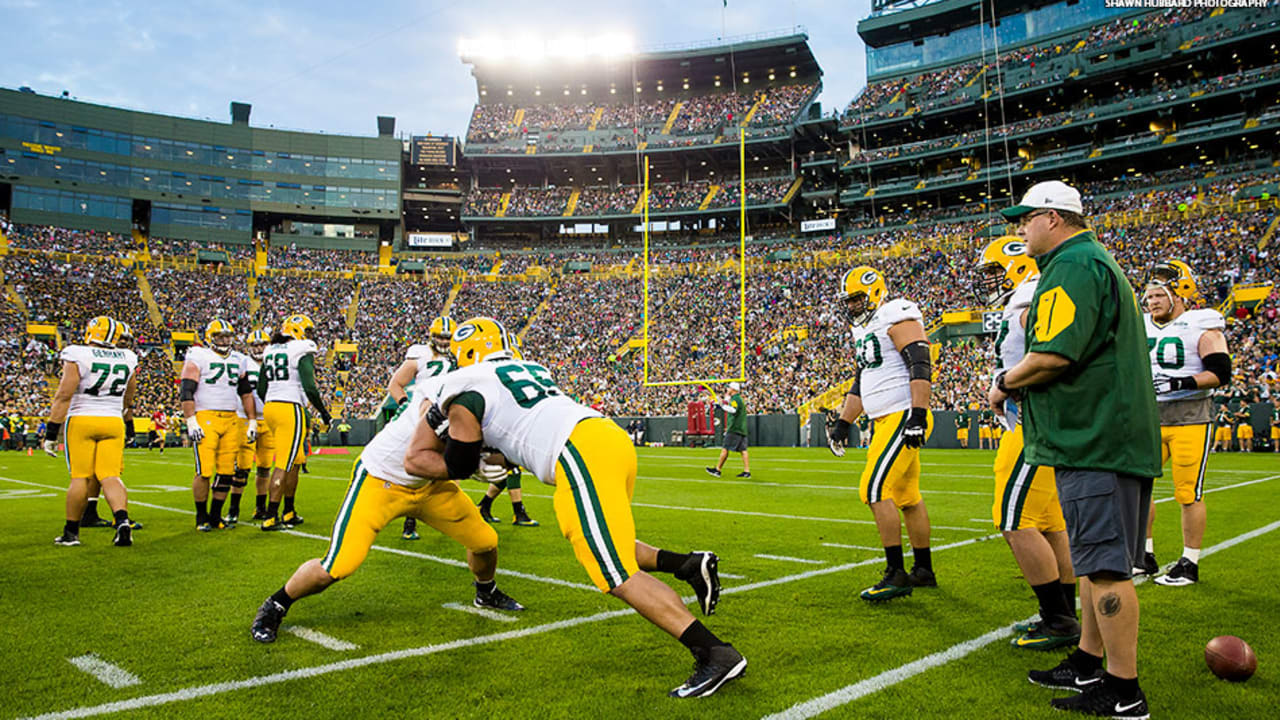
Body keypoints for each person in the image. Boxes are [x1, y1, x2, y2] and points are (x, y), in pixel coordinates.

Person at [409, 317, 742, 698]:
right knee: (598, 541)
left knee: (614, 574)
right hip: (604, 439)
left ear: (467, 351)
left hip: (578, 453)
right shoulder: (529, 368)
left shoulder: (465, 384)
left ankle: (716, 653)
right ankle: (687, 565)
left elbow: (461, 461)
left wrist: (451, 433)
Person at [994, 181, 1160, 719]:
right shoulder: (1093, 262)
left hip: (1096, 437)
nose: (1021, 232)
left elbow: (1054, 355)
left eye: (1027, 220)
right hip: (1103, 434)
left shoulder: (1071, 265)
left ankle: (1124, 690)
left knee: (1108, 570)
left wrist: (1005, 381)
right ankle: (1090, 660)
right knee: (1095, 564)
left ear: (1053, 218)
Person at [249, 366, 525, 646]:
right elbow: (416, 458)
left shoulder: (489, 401)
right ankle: (275, 605)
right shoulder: (443, 392)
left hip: (430, 486)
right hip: (382, 480)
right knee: (338, 566)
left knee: (485, 541)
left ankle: (486, 592)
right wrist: (471, 465)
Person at [974, 236, 1078, 649]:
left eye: (995, 269)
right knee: (1051, 522)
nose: (990, 280)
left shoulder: (1034, 295)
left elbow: (1050, 352)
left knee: (1014, 520)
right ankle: (1065, 614)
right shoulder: (1026, 296)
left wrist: (1003, 384)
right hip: (1043, 420)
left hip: (1035, 421)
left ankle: (1058, 620)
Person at [828, 265, 936, 602]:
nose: (853, 305)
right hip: (884, 420)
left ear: (875, 293)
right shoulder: (862, 329)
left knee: (874, 489)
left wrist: (917, 414)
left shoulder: (894, 312)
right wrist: (844, 422)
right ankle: (923, 569)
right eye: (849, 300)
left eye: (858, 298)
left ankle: (895, 573)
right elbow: (864, 379)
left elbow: (920, 361)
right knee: (907, 498)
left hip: (902, 415)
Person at [1140, 260, 1230, 587]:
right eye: (1148, 297)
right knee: (1138, 486)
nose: (1151, 302)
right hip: (1149, 418)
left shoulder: (1200, 323)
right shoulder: (1141, 325)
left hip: (1190, 418)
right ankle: (1144, 555)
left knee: (1187, 493)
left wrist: (1181, 384)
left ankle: (1189, 562)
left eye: (1159, 295)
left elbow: (1221, 372)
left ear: (1180, 294)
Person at [45, 316, 138, 548]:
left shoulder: (77, 353)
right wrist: (129, 425)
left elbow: (64, 395)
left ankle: (71, 533)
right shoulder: (128, 357)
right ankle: (122, 522)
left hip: (83, 419)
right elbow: (129, 398)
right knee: (110, 475)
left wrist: (51, 432)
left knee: (80, 478)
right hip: (113, 420)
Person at [255, 314, 332, 531]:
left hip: (271, 406)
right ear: (297, 331)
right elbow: (310, 387)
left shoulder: (270, 350)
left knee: (296, 460)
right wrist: (325, 413)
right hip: (290, 407)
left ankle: (289, 511)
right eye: (307, 331)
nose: (309, 336)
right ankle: (271, 516)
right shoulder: (302, 348)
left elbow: (261, 387)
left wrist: (274, 400)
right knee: (285, 463)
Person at [181, 319, 255, 531]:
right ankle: (201, 516)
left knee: (226, 472)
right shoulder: (198, 355)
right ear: (209, 337)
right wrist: (191, 419)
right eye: (219, 336)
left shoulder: (240, 359)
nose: (224, 340)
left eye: (227, 336)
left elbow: (246, 392)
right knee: (204, 470)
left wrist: (251, 421)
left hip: (231, 418)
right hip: (206, 417)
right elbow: (186, 389)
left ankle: (215, 515)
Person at [237, 329, 275, 524]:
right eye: (255, 345)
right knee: (241, 468)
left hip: (268, 419)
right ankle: (233, 509)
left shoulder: (274, 363)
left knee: (264, 467)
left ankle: (260, 507)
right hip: (244, 418)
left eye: (262, 345)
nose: (259, 349)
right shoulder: (243, 362)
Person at [705, 382, 751, 478]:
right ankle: (747, 472)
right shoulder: (738, 399)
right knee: (743, 450)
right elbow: (728, 403)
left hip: (735, 428)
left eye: (729, 388)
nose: (727, 389)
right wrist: (722, 402)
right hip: (741, 428)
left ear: (733, 389)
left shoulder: (736, 399)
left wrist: (721, 406)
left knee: (725, 448)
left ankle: (718, 470)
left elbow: (733, 410)